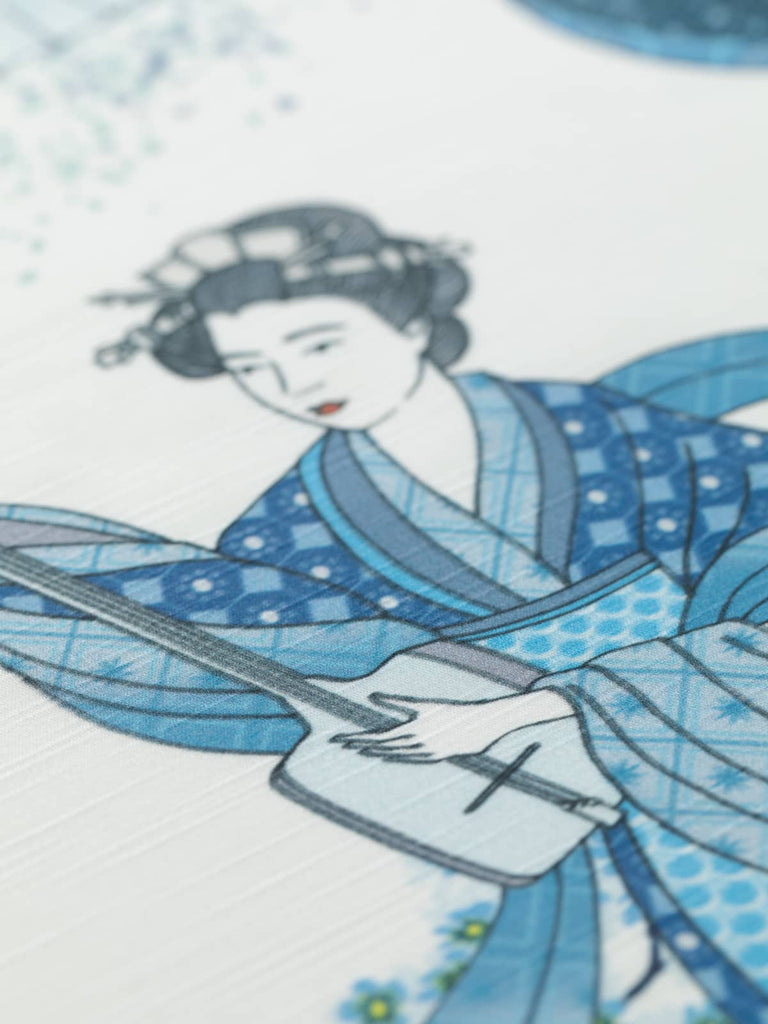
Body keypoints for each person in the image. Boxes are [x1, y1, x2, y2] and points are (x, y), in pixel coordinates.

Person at [6, 203, 768, 1022]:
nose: (299, 386)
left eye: (319, 345)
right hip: (589, 778)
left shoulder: (595, 426)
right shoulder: (285, 524)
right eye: (252, 368)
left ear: (409, 322)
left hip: (718, 720)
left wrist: (527, 710)